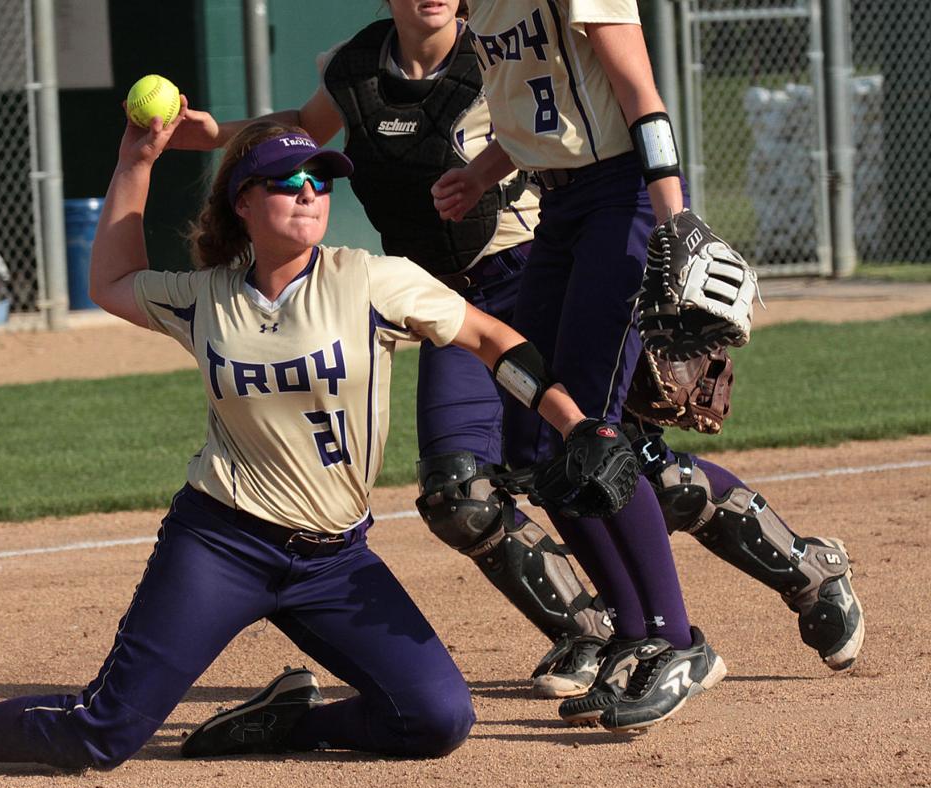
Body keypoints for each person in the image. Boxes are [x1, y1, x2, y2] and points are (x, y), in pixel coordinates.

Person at [0, 113, 623, 780]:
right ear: (243, 201)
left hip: (334, 562)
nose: (310, 192)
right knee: (102, 734)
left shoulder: (371, 280)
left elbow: (491, 339)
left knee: (437, 719)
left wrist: (575, 424)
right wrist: (136, 161)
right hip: (220, 544)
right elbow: (110, 282)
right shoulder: (204, 298)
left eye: (321, 181)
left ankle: (288, 723)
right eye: (288, 180)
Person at [170, 0, 863, 710]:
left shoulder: (514, 24)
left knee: (602, 446)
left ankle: (719, 611)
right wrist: (215, 136)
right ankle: (612, 632)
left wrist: (673, 221)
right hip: (488, 267)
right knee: (511, 467)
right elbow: (523, 122)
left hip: (562, 238)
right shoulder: (393, 53)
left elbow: (635, 98)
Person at [169, 0, 613, 701]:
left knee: (598, 460)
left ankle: (785, 577)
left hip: (536, 277)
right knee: (457, 494)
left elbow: (560, 126)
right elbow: (302, 128)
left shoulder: (499, 46)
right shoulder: (358, 65)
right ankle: (590, 631)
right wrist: (213, 136)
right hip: (448, 296)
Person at [427, 0, 744, 732]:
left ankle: (676, 642)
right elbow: (537, 118)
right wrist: (480, 174)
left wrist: (674, 223)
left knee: (593, 431)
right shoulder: (484, 8)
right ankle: (632, 635)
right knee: (535, 436)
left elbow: (638, 93)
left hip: (622, 197)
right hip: (559, 207)